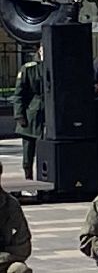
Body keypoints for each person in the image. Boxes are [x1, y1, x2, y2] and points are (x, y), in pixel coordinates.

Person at [14, 43, 43, 180]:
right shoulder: (29, 68)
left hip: (48, 115)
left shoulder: (55, 65)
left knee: (46, 152)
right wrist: (19, 115)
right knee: (28, 151)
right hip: (31, 114)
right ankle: (28, 177)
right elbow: (19, 94)